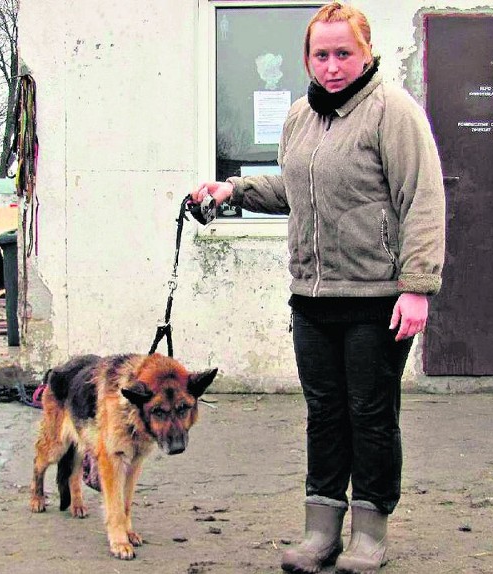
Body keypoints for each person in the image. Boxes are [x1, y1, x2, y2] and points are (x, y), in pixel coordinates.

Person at [192, 2, 445, 573]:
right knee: (324, 413)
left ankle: (369, 533)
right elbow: (296, 187)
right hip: (311, 298)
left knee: (370, 414)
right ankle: (320, 531)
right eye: (320, 54)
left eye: (343, 53)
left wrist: (418, 287)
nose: (331, 66)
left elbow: (423, 198)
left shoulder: (392, 111)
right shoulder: (299, 118)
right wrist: (235, 190)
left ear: (366, 53)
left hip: (376, 299)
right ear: (306, 58)